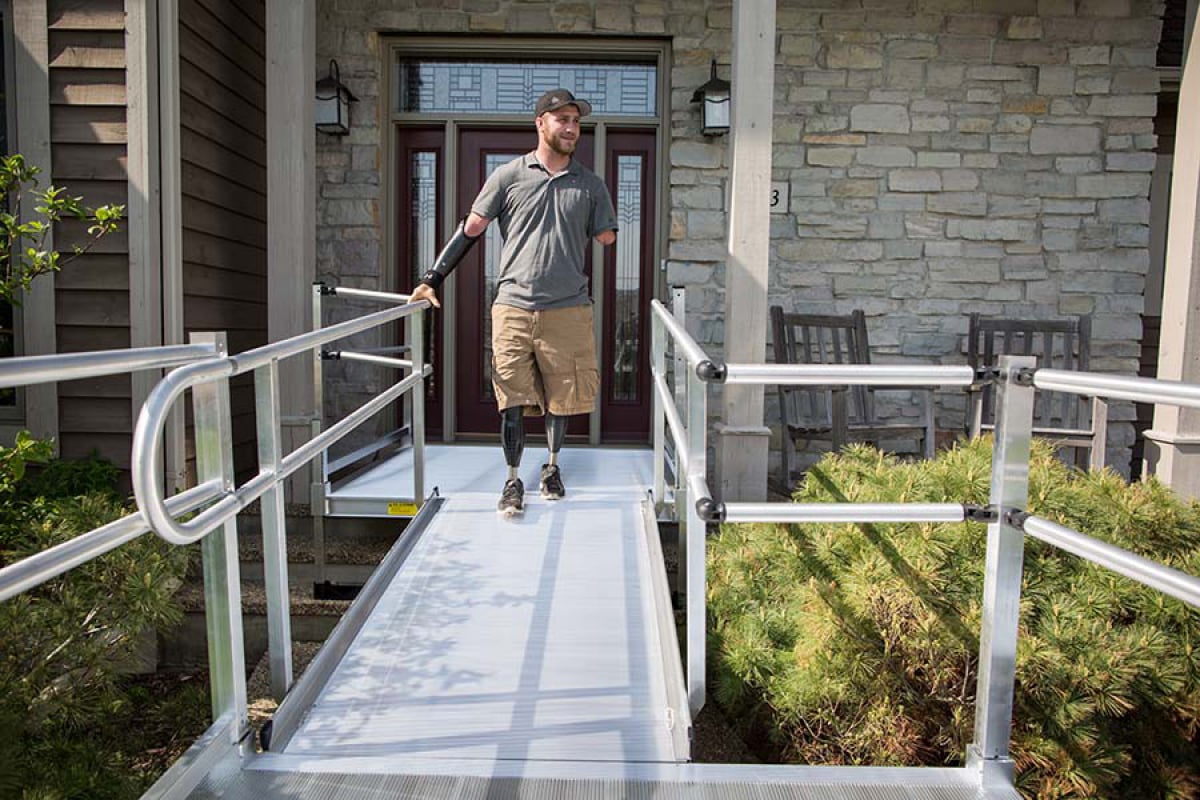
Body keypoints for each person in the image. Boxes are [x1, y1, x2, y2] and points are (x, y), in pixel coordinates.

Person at [409, 88, 618, 517]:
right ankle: (512, 480)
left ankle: (552, 468)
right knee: (512, 397)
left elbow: (606, 235)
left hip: (569, 308)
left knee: (563, 396)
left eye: (576, 122)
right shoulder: (508, 176)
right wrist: (432, 278)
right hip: (514, 307)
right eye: (563, 120)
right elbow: (471, 229)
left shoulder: (590, 183)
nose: (572, 128)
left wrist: (598, 221)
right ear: (541, 123)